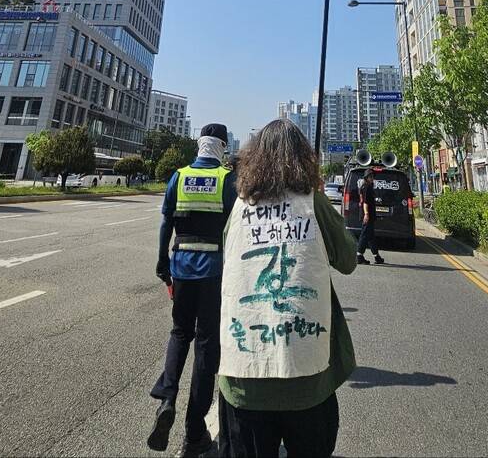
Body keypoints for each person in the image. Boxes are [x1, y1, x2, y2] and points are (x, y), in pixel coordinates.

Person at [217, 119, 357, 458]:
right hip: (307, 382)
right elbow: (348, 260)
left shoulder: (240, 207)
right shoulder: (314, 203)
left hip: (243, 379)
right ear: (303, 158)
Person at [149, 123, 237, 457]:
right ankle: (193, 431)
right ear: (222, 148)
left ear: (199, 145)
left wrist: (163, 264)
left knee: (179, 332)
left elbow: (165, 223)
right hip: (214, 273)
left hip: (182, 266)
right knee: (206, 347)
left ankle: (167, 396)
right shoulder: (227, 180)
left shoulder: (179, 176)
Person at [356, 169, 384, 265]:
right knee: (364, 235)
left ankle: (377, 256)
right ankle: (359, 256)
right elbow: (365, 202)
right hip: (367, 215)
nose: (372, 178)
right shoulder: (367, 187)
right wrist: (366, 214)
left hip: (369, 215)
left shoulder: (365, 186)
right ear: (366, 178)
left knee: (371, 237)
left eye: (373, 176)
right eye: (370, 176)